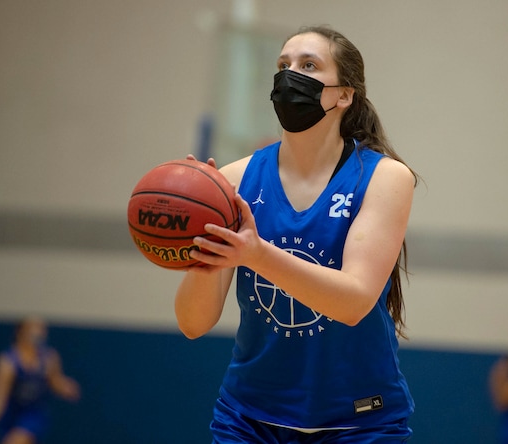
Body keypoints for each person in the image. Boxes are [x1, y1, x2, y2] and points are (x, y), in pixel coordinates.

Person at [175, 25, 418, 442]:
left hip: (358, 420)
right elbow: (193, 323)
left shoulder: (385, 178)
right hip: (249, 418)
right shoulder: (232, 181)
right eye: (283, 65)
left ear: (345, 94)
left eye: (309, 65)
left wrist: (256, 255)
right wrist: (204, 242)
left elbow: (355, 301)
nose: (290, 75)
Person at [0, 318, 80, 444]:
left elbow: (55, 382)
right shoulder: (8, 362)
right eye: (33, 328)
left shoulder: (49, 358)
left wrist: (65, 387)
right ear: (20, 332)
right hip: (11, 414)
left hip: (34, 414)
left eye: (41, 328)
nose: (38, 333)